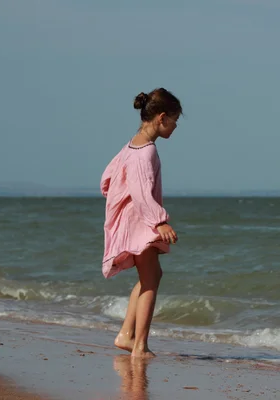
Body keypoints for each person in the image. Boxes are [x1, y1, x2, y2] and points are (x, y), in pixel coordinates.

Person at [100, 87, 182, 358]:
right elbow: (141, 192)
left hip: (132, 218)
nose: (175, 126)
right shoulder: (146, 152)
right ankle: (139, 346)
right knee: (150, 281)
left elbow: (106, 180)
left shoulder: (130, 145)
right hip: (141, 221)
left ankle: (126, 334)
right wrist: (159, 222)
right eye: (174, 120)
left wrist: (118, 203)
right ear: (161, 118)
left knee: (152, 275)